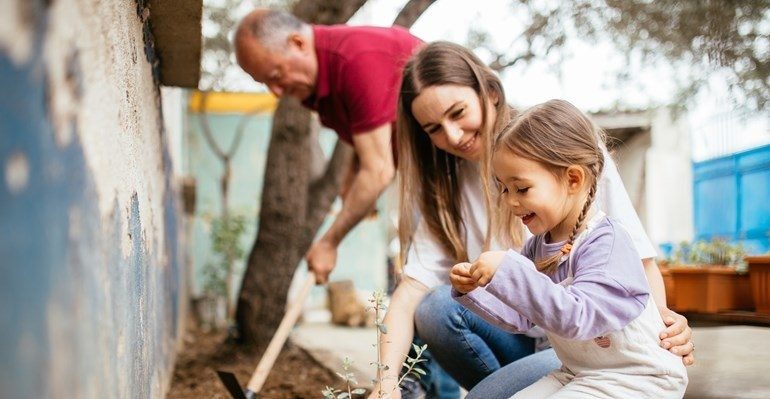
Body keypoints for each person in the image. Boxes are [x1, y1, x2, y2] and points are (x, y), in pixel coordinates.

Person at [369, 41, 694, 399]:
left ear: (490, 93)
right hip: (562, 353)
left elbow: (636, 261)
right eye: (433, 128)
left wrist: (663, 323)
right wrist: (386, 383)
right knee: (437, 306)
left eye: (458, 112)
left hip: (600, 352)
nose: (453, 135)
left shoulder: (567, 157)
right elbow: (412, 295)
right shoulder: (458, 196)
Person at [451, 99, 688, 398]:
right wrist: (478, 286)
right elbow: (522, 316)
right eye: (504, 189)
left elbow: (580, 317)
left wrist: (508, 270)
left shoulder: (606, 242)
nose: (510, 201)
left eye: (521, 188)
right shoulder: (538, 246)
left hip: (638, 376)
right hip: (580, 371)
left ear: (573, 179)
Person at [233, 9, 423, 284]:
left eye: (276, 75)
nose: (275, 91)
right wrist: (350, 182)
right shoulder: (319, 85)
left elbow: (379, 171)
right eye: (265, 83)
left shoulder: (353, 60)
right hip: (422, 175)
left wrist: (328, 243)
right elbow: (368, 138)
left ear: (298, 43)